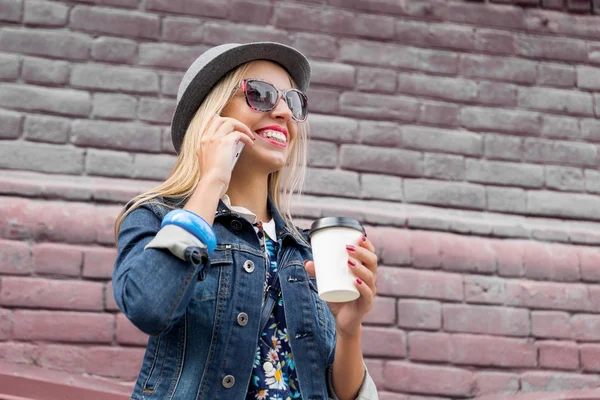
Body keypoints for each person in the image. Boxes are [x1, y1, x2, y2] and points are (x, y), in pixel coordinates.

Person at [112, 42, 379, 400]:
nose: (283, 111)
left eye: (293, 101)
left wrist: (349, 330)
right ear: (212, 116)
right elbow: (148, 306)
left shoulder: (306, 250)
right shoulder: (156, 217)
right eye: (261, 94)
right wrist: (212, 181)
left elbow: (337, 391)